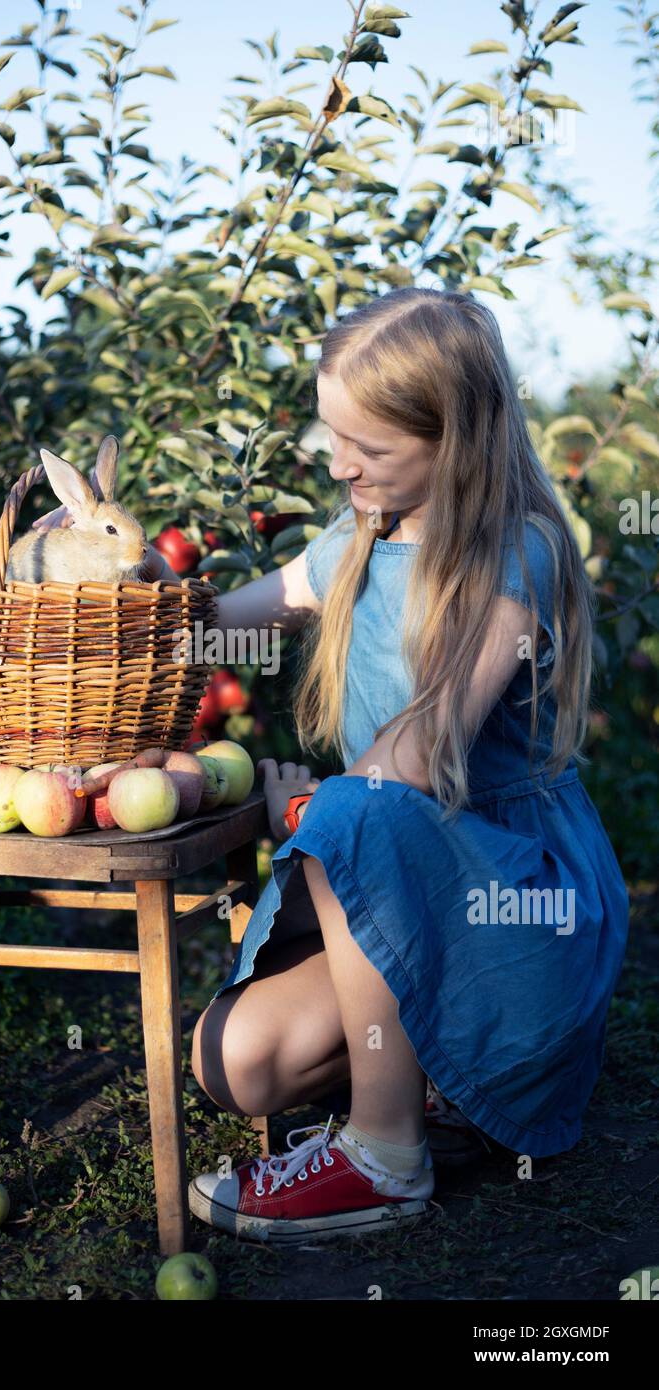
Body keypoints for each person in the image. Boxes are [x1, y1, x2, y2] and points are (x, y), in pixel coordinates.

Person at [181, 287, 630, 1246]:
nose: (341, 464)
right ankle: (433, 1076)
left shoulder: (517, 554)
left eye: (370, 449)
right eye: (332, 435)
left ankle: (386, 1156)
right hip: (402, 867)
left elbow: (417, 758)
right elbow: (220, 628)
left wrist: (302, 808)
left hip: (513, 903)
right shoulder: (362, 534)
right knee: (239, 1066)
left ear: (457, 440)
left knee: (356, 810)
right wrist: (130, 611)